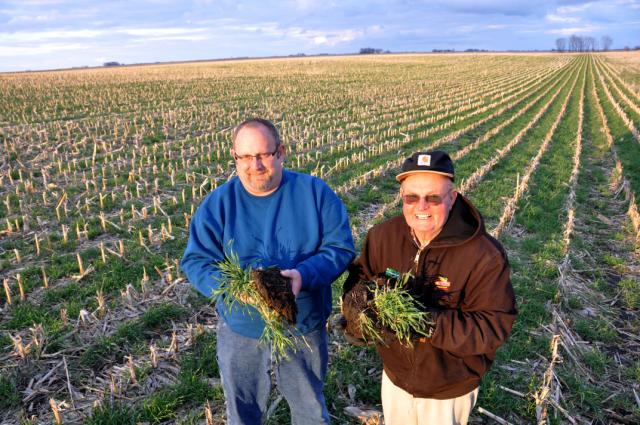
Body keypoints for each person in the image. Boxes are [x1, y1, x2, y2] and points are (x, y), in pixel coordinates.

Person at [181, 118, 355, 425]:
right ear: (234, 157)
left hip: (302, 322)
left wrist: (303, 275)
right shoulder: (218, 204)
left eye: (263, 154)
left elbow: (339, 248)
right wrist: (234, 289)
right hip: (241, 324)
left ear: (281, 152)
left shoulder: (315, 194)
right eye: (245, 157)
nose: (255, 165)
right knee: (243, 410)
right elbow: (197, 261)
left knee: (309, 408)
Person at [342, 150, 517, 425]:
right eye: (412, 197)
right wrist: (358, 316)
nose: (421, 207)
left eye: (433, 197)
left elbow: (492, 327)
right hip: (395, 377)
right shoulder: (382, 236)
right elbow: (360, 280)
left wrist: (424, 322)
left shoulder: (483, 255)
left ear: (452, 197)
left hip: (447, 388)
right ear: (402, 197)